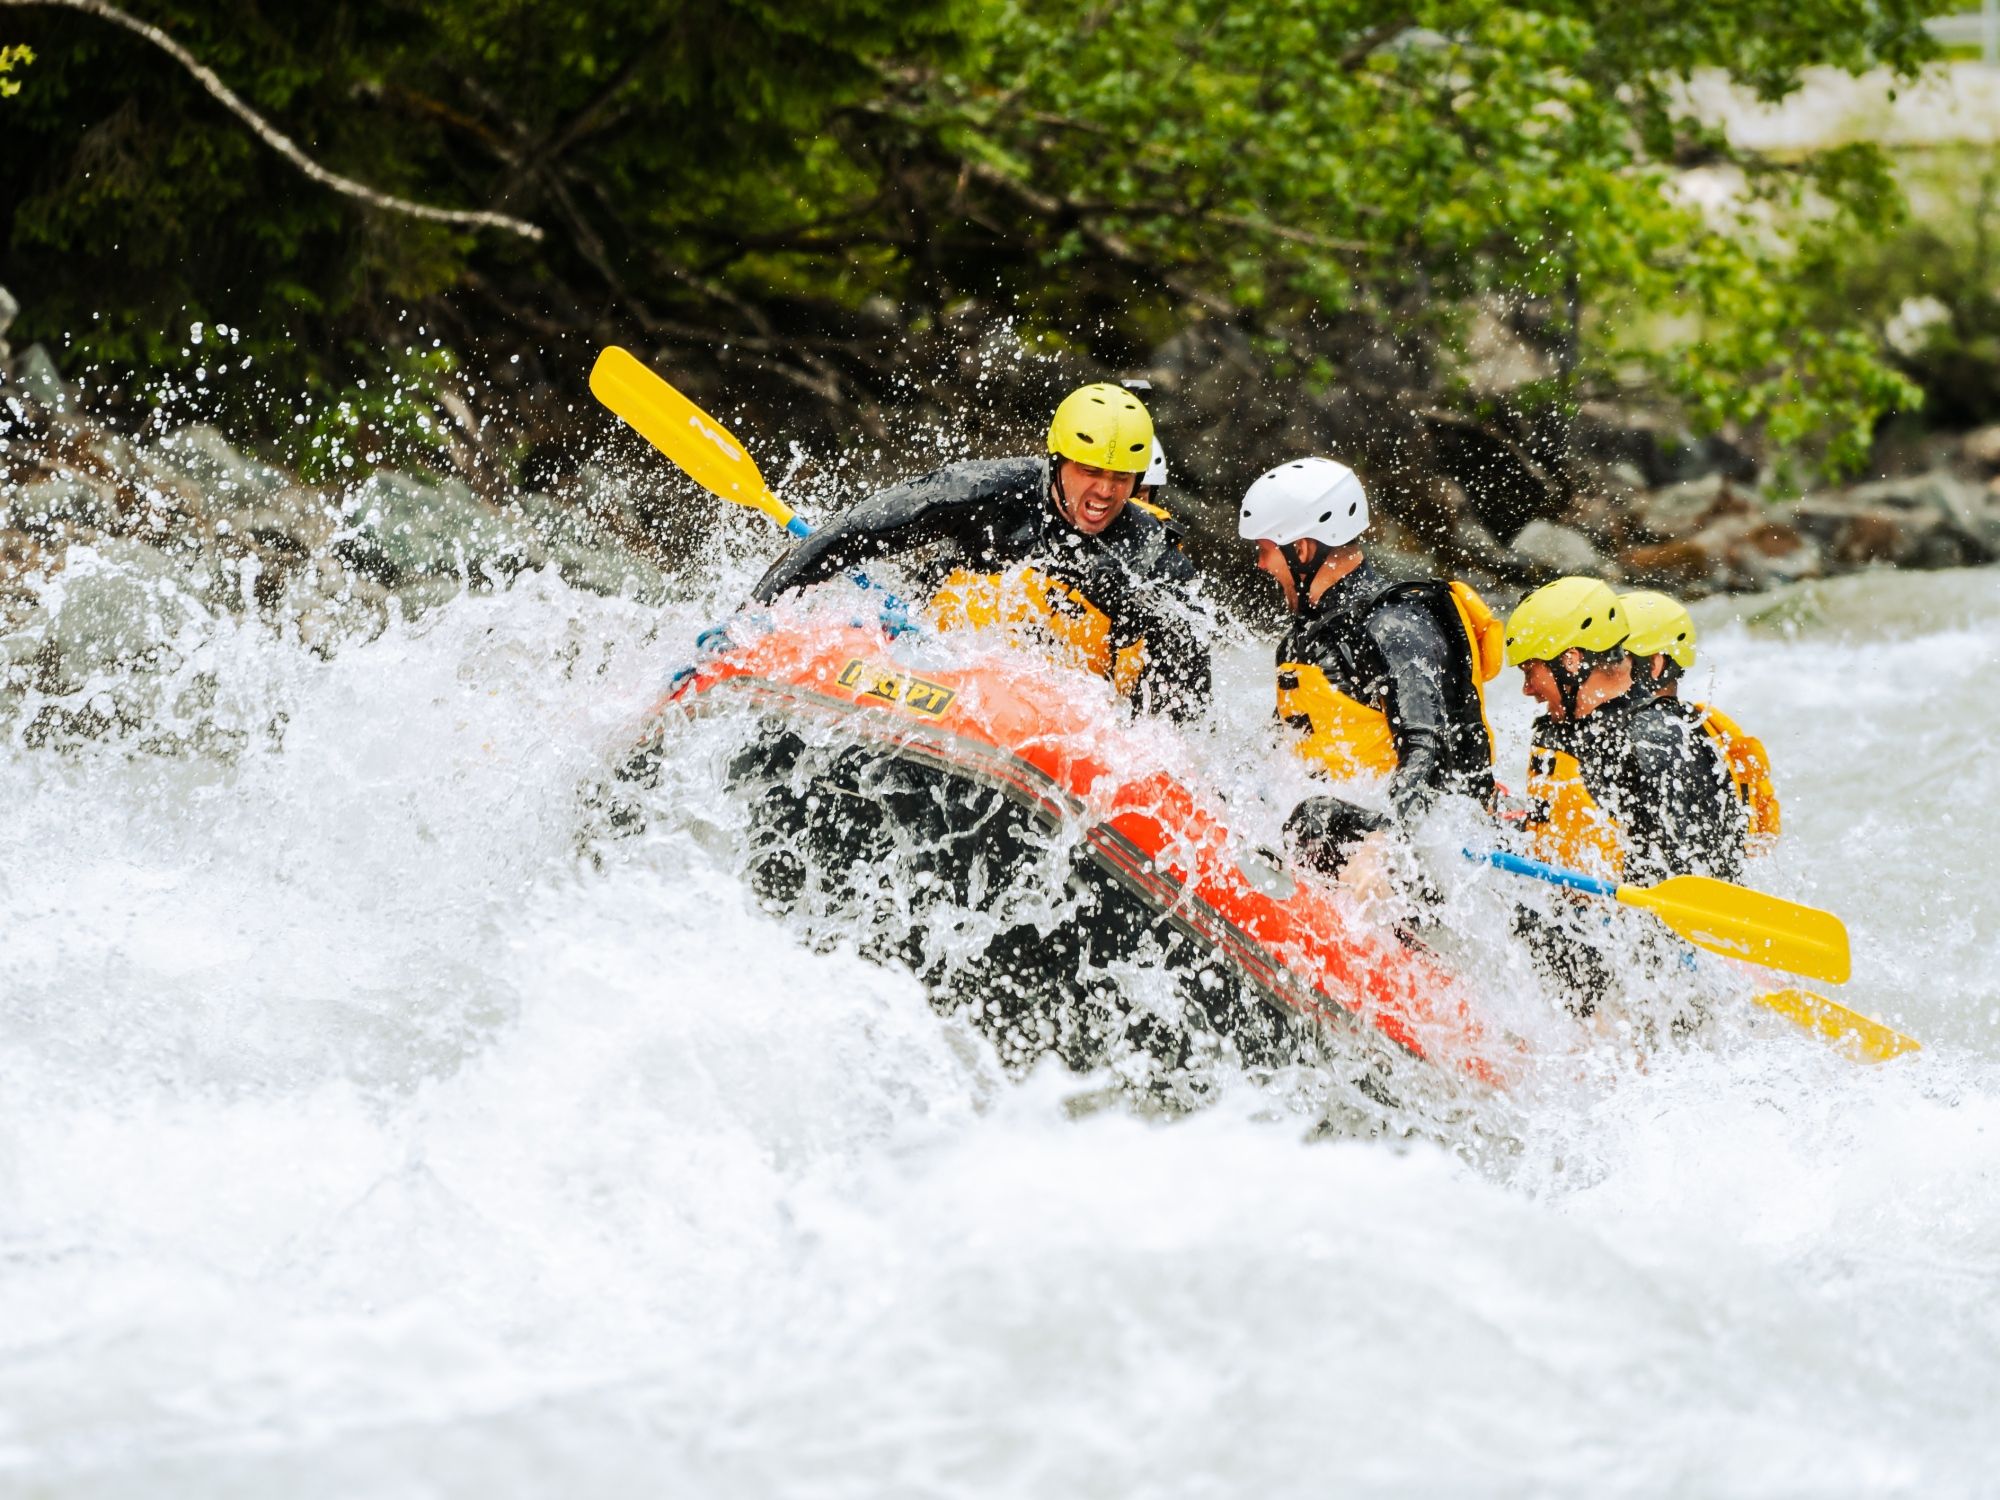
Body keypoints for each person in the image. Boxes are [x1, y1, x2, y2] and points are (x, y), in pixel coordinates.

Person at [751, 383, 1210, 722]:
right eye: (1091, 471)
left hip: (1055, 721)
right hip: (933, 668)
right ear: (1057, 462)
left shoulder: (1150, 557)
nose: (1106, 492)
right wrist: (749, 619)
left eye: (1122, 478)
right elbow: (850, 534)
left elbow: (1187, 688)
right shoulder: (984, 493)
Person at [1237, 456, 1505, 877]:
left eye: (1266, 551)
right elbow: (1281, 746)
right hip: (1342, 828)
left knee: (1317, 816)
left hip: (1412, 853)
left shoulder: (1396, 625)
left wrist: (1387, 842)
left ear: (1302, 549)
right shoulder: (1306, 637)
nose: (1261, 565)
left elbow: (1429, 748)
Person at [1507, 577, 1745, 887]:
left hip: (1619, 926)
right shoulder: (1572, 730)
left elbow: (1697, 869)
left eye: (1530, 671)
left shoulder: (1657, 738)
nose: (1527, 689)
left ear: (1570, 660)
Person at [1620, 589, 1780, 853]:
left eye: (1614, 659)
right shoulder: (1709, 727)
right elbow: (1764, 837)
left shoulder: (1655, 739)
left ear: (1654, 665)